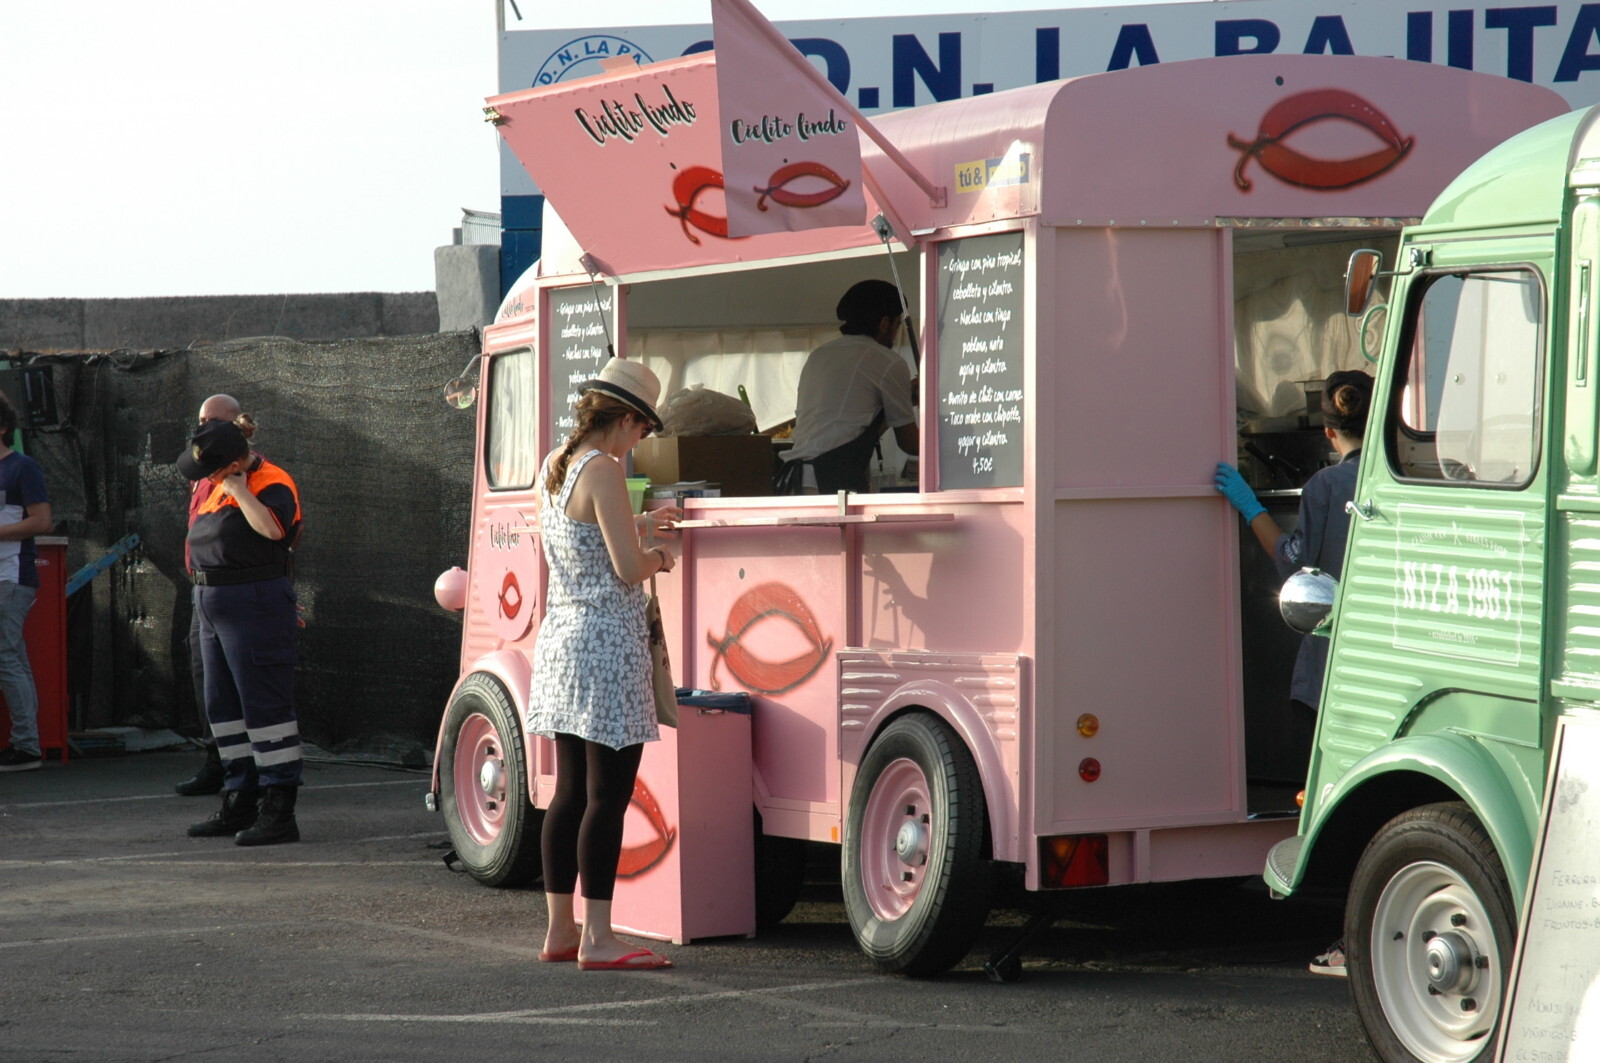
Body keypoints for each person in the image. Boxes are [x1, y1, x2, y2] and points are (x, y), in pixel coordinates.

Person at [1214, 368, 1374, 979]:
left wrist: (1249, 505)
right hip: (1399, 666)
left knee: (1339, 807)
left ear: (1328, 431)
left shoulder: (1327, 486)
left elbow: (1293, 563)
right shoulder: (1416, 479)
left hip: (1334, 671)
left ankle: (1353, 941)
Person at [528, 357, 684, 972]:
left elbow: (582, 533)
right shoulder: (606, 469)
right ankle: (598, 938)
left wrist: (639, 521)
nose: (640, 439)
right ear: (624, 419)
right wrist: (661, 556)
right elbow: (627, 567)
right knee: (608, 797)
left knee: (568, 793)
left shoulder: (558, 461)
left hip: (563, 645)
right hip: (607, 652)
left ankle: (560, 930)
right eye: (643, 428)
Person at [176, 419, 304, 845]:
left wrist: (240, 490)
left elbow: (274, 530)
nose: (205, 479)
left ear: (233, 464)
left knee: (266, 709)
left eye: (211, 471)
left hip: (253, 603)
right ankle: (239, 798)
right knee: (223, 708)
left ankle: (279, 809)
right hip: (211, 603)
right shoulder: (216, 482)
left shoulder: (272, 481)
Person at [173, 394, 257, 796]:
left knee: (242, 680)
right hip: (204, 590)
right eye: (201, 420)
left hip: (238, 591)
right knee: (207, 677)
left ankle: (251, 771)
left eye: (213, 421)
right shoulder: (201, 469)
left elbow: (279, 531)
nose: (203, 427)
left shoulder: (247, 472)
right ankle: (218, 759)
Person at [778, 279, 919, 494]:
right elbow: (910, 444)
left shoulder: (819, 355)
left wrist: (905, 400)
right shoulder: (888, 361)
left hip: (794, 479)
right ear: (884, 323)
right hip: (828, 480)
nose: (895, 334)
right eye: (897, 325)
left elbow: (848, 428)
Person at [0, 393, 52, 773]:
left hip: (12, 575)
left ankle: (26, 746)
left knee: (5, 656)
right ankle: (27, 743)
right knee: (12, 656)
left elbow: (42, 521)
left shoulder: (22, 466)